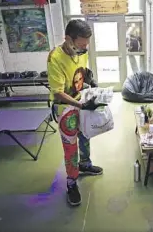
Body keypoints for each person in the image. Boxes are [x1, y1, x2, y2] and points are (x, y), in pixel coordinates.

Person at [47, 19, 105, 207]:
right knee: (70, 146)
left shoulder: (81, 51)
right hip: (65, 107)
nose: (83, 48)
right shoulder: (55, 58)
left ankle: (85, 165)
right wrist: (81, 106)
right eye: (80, 44)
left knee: (85, 134)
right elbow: (58, 92)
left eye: (86, 44)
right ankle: (71, 183)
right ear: (68, 39)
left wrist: (90, 80)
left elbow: (81, 70)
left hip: (80, 99)